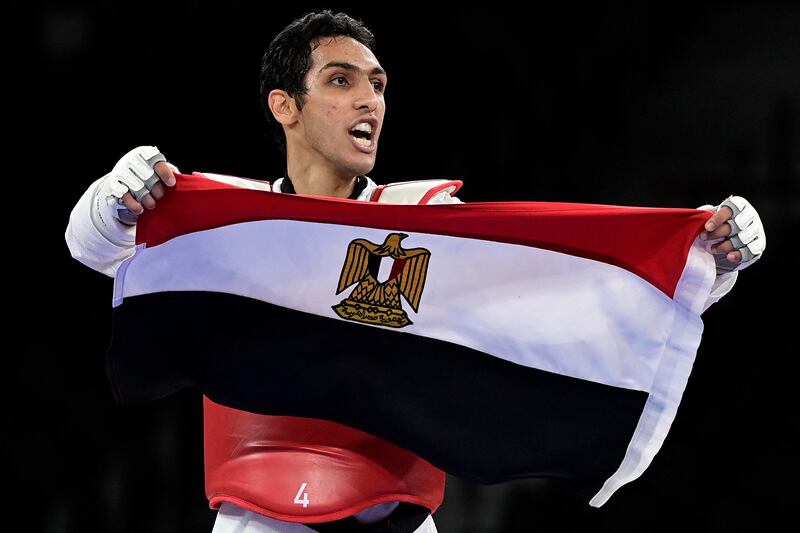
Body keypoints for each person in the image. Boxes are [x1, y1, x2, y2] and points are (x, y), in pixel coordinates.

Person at [64, 9, 765, 533]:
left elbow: (561, 294)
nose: (370, 100)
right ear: (285, 107)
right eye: (341, 81)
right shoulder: (228, 225)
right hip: (254, 515)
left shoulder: (425, 221)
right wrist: (116, 201)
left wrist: (708, 258)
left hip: (397, 515)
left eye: (377, 84)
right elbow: (97, 251)